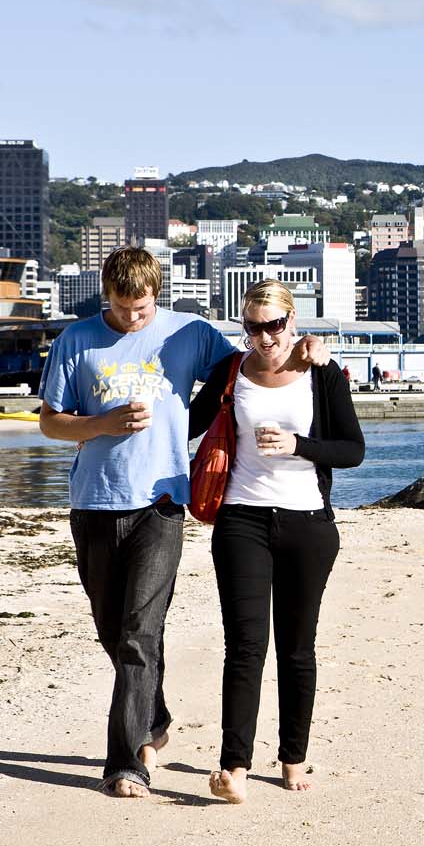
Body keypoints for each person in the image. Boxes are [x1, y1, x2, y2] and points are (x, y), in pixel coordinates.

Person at [39, 249, 324, 798]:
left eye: (141, 308)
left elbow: (252, 360)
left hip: (164, 503)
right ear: (107, 295)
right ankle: (153, 717)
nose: (131, 319)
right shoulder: (75, 340)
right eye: (121, 309)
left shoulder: (189, 334)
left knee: (138, 635)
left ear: (156, 294)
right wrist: (102, 423)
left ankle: (125, 764)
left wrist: (310, 346)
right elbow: (51, 423)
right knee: (112, 631)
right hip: (93, 504)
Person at [189, 279, 364, 805]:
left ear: (293, 321)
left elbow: (352, 450)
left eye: (274, 325)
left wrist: (298, 444)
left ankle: (292, 758)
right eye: (253, 327)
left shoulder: (322, 374)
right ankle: (233, 767)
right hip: (241, 517)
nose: (264, 337)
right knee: (244, 647)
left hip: (307, 523)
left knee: (296, 648)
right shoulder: (231, 371)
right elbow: (185, 423)